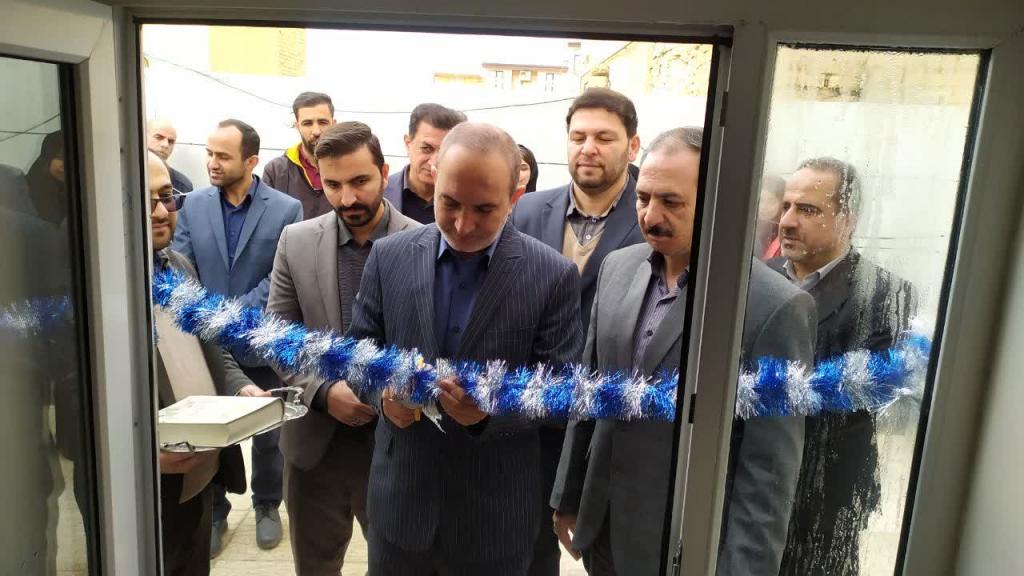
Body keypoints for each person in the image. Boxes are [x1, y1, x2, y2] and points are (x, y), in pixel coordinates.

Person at [551, 127, 814, 576]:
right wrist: (567, 495)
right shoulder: (617, 268)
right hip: (603, 528)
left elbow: (769, 470)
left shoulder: (772, 307)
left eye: (671, 202)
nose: (651, 215)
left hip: (686, 544)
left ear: (717, 201)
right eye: (643, 198)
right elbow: (589, 394)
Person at [348, 122, 584, 575]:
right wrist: (383, 397)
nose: (463, 223)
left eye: (484, 209)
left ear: (515, 197)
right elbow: (359, 354)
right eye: (450, 203)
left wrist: (489, 414)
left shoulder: (551, 275)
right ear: (433, 179)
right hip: (400, 510)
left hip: (494, 519)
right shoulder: (389, 256)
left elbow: (560, 395)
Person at [267, 122, 420, 575]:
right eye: (333, 185)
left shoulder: (424, 242)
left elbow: (434, 341)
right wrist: (322, 391)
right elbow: (278, 336)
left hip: (397, 445)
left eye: (360, 181)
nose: (347, 198)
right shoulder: (296, 241)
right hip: (316, 446)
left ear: (385, 174)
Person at [510, 87, 646, 575]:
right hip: (533, 418)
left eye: (604, 138)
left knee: (609, 556)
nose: (588, 148)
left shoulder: (651, 215)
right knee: (528, 550)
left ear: (633, 145)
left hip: (609, 419)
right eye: (578, 137)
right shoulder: (528, 211)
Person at [771, 157, 917, 576]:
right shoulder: (754, 280)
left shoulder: (886, 295)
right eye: (786, 206)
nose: (787, 221)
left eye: (807, 209)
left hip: (826, 496)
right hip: (750, 484)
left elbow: (863, 400)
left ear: (847, 221)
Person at [171, 119, 303, 556]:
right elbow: (182, 264)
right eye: (209, 153)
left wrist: (230, 317)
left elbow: (280, 274)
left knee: (269, 432)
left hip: (259, 340)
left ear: (251, 161)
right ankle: (215, 510)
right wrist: (209, 319)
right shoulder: (193, 205)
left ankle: (266, 505)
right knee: (208, 430)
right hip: (204, 342)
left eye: (222, 156)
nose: (212, 162)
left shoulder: (285, 209)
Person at [148, 149, 266, 576]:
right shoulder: (97, 282)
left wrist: (239, 386)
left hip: (198, 473)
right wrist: (141, 454)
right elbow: (73, 389)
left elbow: (210, 344)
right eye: (146, 200)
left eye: (167, 197)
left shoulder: (178, 266)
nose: (161, 212)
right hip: (146, 485)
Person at [382, 103, 467, 224]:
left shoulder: (469, 200)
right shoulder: (379, 194)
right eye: (427, 148)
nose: (434, 162)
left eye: (445, 152)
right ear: (408, 143)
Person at [262, 91, 338, 219]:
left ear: (333, 124)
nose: (316, 131)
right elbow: (265, 220)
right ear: (297, 126)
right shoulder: (276, 171)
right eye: (307, 123)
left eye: (323, 122)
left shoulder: (350, 167)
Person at [147, 119, 194, 196]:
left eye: (171, 141)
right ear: (143, 137)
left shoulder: (182, 185)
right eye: (159, 137)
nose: (165, 145)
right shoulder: (127, 176)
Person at [755, 174, 785, 260]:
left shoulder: (784, 234)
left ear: (782, 204)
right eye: (761, 200)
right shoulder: (750, 227)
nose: (764, 206)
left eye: (771, 201)